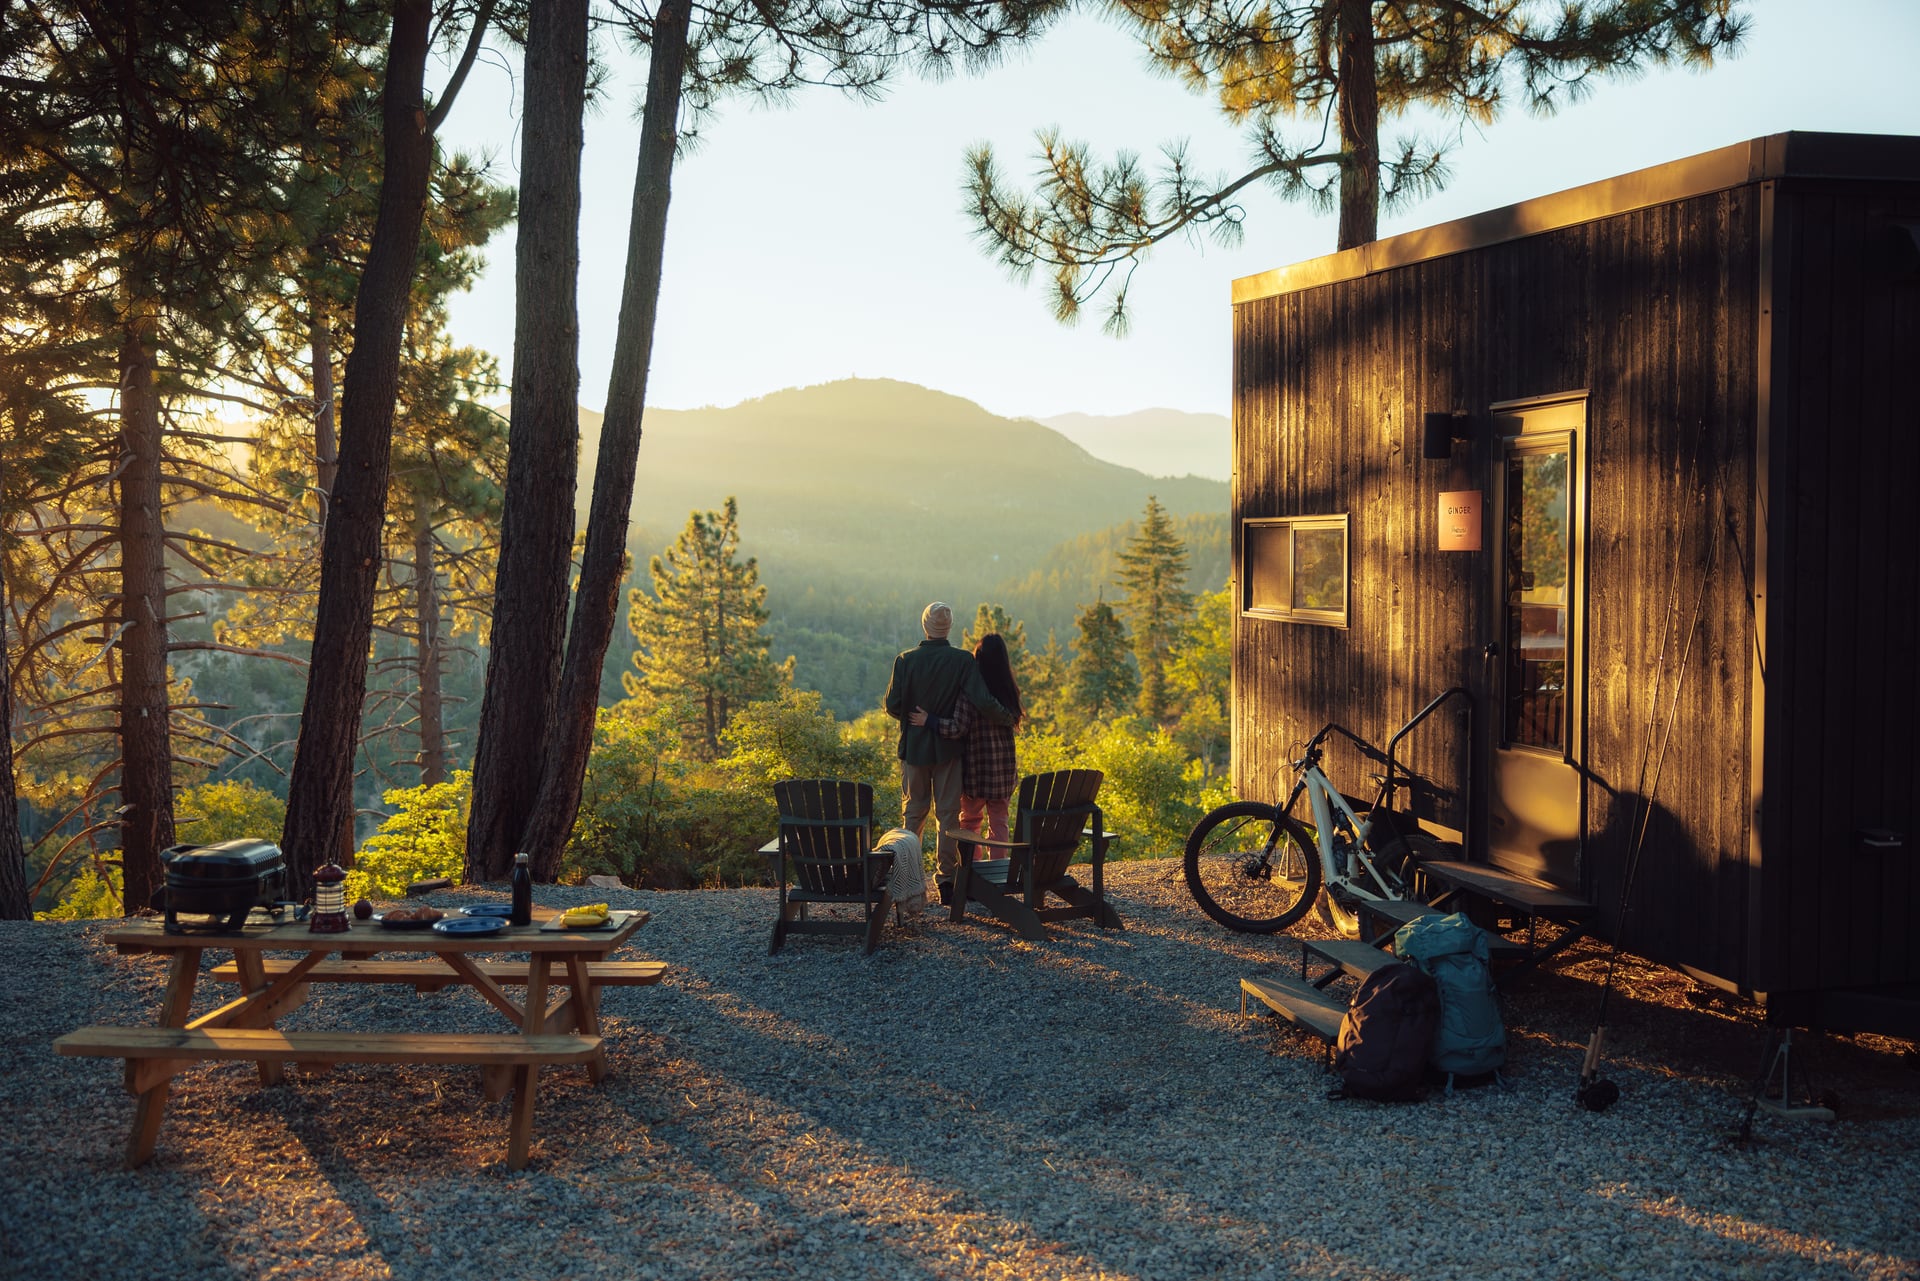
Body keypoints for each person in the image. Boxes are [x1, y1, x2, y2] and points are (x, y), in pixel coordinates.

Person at [883, 603, 1016, 887]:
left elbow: (893, 705)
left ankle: (910, 879)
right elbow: (982, 701)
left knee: (913, 814)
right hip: (949, 752)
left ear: (924, 626)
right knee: (948, 818)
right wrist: (1007, 717)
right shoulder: (962, 661)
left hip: (915, 750)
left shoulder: (905, 660)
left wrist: (914, 717)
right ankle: (946, 879)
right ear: (949, 627)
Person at [911, 632, 1021, 852]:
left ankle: (973, 873)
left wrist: (929, 720)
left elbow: (957, 728)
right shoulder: (1009, 691)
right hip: (1003, 776)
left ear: (978, 658)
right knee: (999, 823)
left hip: (976, 776)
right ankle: (997, 872)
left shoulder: (970, 693)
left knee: (970, 822)